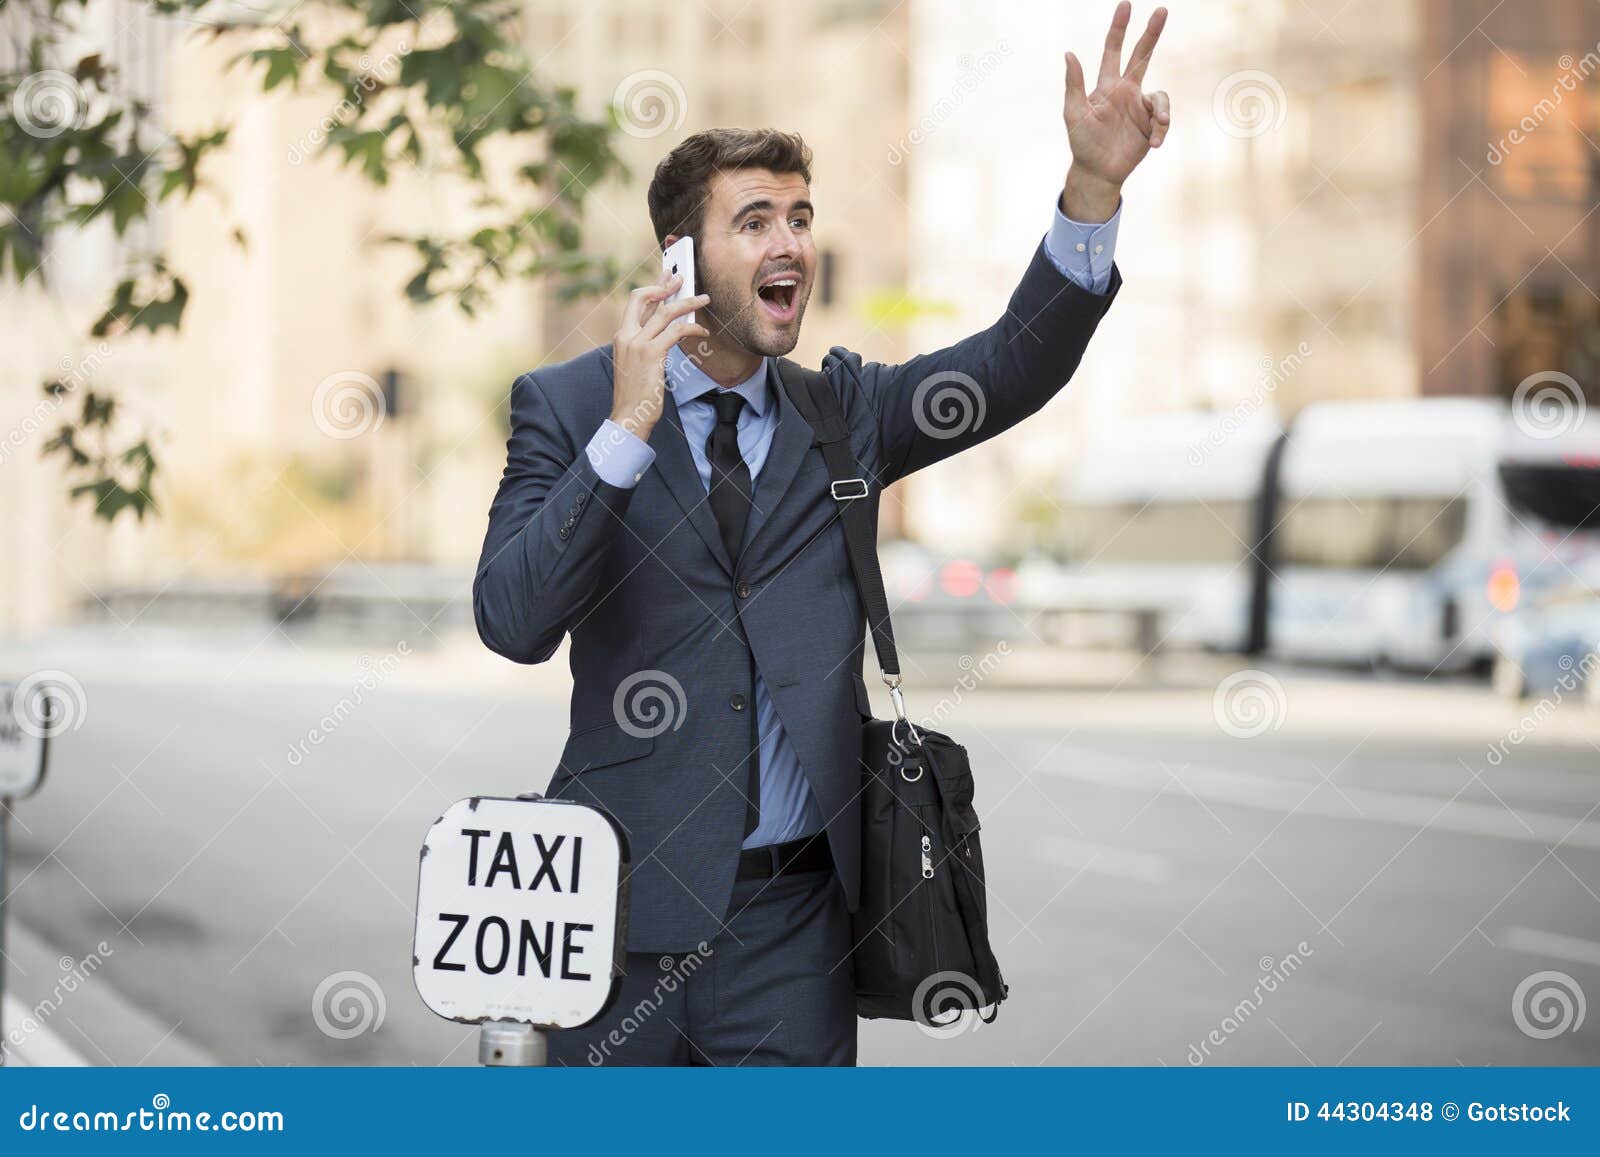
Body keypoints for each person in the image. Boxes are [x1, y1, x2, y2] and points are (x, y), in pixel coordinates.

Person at [472, 2, 1170, 1065]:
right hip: (612, 922)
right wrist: (624, 430)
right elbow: (512, 621)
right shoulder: (570, 406)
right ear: (680, 256)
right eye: (753, 220)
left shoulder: (843, 412)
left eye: (799, 216)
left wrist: (1093, 190)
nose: (790, 240)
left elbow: (1012, 365)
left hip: (793, 932)